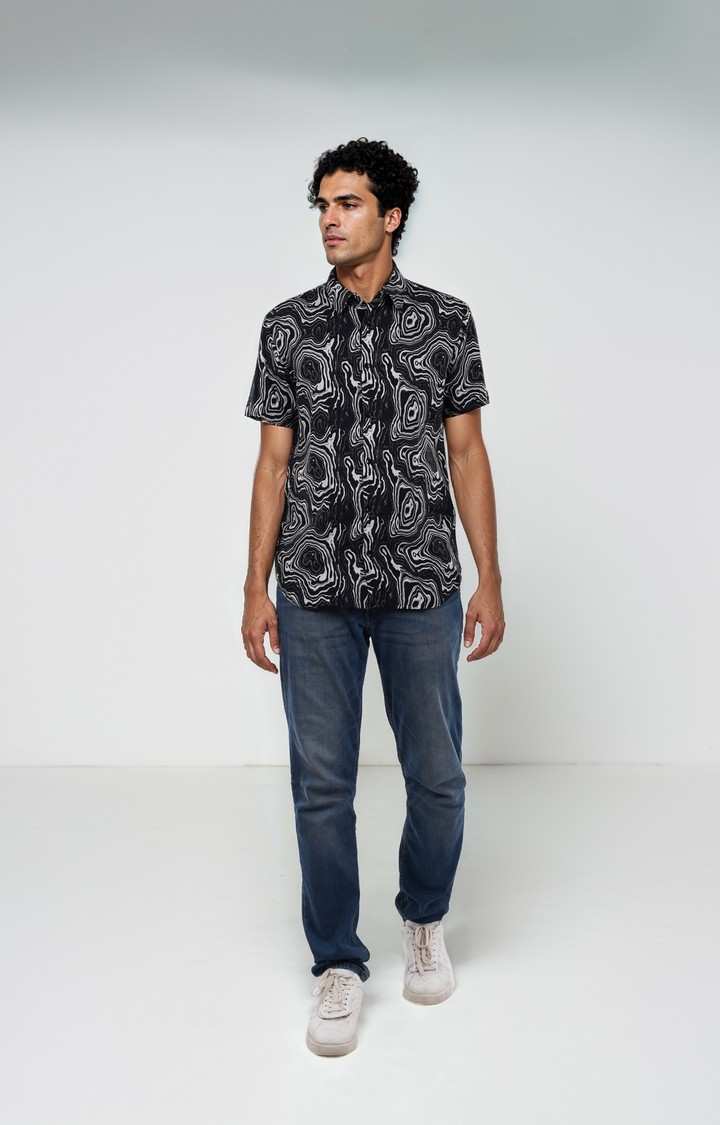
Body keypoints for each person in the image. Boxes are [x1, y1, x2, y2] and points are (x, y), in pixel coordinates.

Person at [242, 137, 504, 1056]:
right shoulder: (287, 328)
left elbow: (466, 451)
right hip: (313, 587)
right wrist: (254, 588)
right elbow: (272, 465)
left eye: (348, 203)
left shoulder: (445, 322)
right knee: (322, 785)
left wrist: (490, 575)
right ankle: (338, 962)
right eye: (323, 203)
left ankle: (423, 916)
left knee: (437, 774)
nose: (329, 218)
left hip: (422, 581)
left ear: (390, 216)